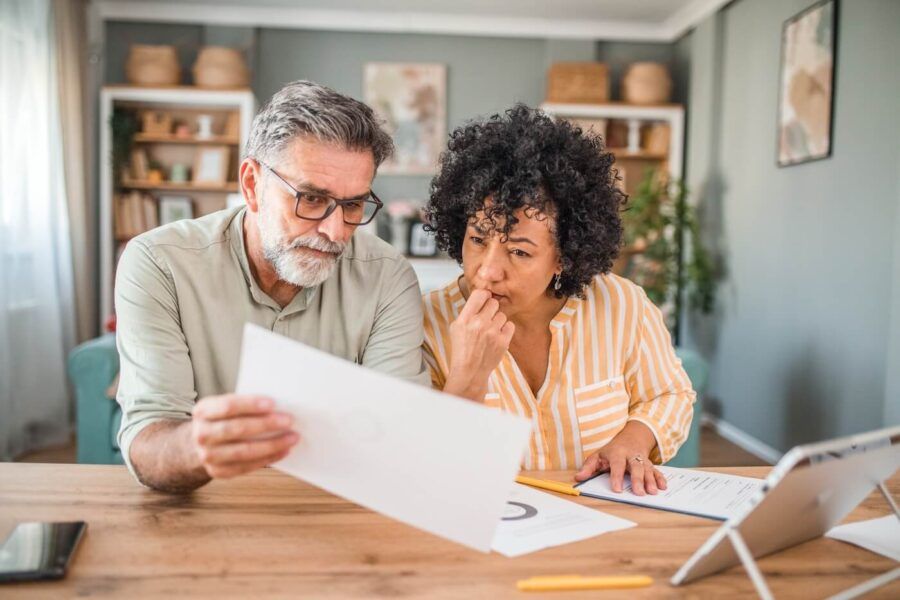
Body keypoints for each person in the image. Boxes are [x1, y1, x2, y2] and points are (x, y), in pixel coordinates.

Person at [115, 81, 428, 493]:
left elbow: (396, 439)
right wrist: (197, 447)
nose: (335, 232)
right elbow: (147, 440)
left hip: (335, 508)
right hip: (207, 507)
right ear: (251, 184)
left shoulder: (388, 277)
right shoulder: (159, 262)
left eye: (353, 206)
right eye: (311, 199)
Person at [422, 105, 695, 496]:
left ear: (564, 256)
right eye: (478, 240)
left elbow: (670, 394)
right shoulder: (426, 323)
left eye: (519, 252)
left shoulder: (621, 304)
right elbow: (422, 464)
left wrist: (634, 441)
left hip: (604, 523)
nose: (487, 271)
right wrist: (468, 376)